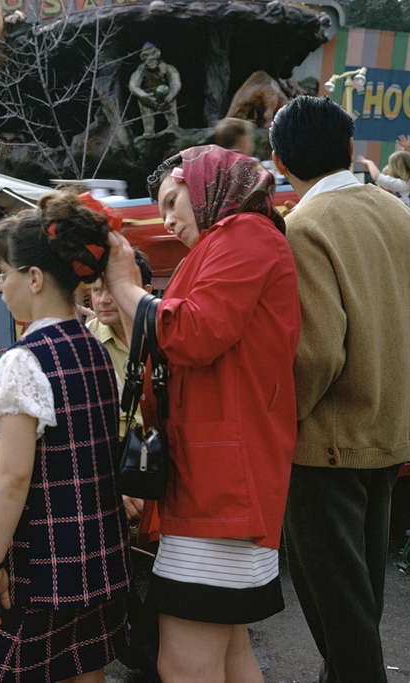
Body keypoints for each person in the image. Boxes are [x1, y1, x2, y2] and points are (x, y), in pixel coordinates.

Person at [104, 144, 300, 681]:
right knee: (229, 652)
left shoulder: (244, 235)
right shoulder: (234, 238)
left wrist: (125, 285)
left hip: (223, 484)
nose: (166, 221)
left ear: (205, 182)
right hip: (223, 475)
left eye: (172, 200)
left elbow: (194, 333)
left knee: (184, 662)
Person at [270, 95, 410, 683]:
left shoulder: (303, 226)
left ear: (279, 159)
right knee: (361, 599)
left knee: (341, 614)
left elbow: (315, 353)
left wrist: (279, 422)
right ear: (350, 148)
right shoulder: (402, 216)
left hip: (327, 442)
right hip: (391, 429)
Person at [0, 193, 131, 681]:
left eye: (3, 274)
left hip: (35, 568)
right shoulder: (94, 349)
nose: (0, 287)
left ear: (33, 278)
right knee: (85, 670)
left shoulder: (23, 360)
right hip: (98, 556)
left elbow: (13, 477)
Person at [86, 248, 153, 432]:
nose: (103, 300)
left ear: (145, 292)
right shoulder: (85, 342)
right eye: (96, 290)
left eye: (114, 290)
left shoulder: (164, 335)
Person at [357, 147, 410, 211]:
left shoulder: (402, 185)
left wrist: (369, 162)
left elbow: (376, 177)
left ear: (396, 169)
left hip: (407, 218)